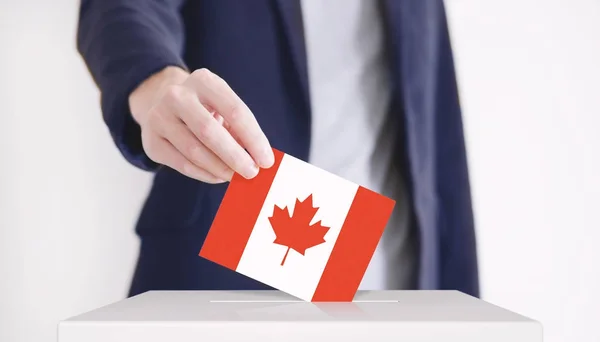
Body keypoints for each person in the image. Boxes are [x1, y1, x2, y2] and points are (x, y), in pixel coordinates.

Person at [76, 0, 479, 298]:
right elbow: (122, 9)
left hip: (390, 273)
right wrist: (158, 82)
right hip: (230, 267)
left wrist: (461, 294)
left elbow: (436, 121)